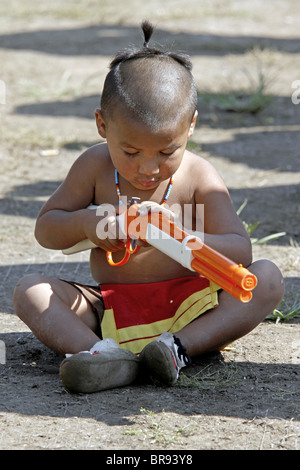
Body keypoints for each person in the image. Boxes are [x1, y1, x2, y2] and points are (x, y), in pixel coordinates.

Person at [13, 21, 284, 393]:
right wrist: (89, 223)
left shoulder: (198, 175)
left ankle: (177, 349)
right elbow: (46, 229)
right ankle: (102, 356)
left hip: (191, 306)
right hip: (111, 306)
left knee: (267, 277)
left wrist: (181, 236)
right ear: (102, 125)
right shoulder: (94, 166)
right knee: (30, 290)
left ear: (190, 127)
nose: (148, 168)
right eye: (130, 151)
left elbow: (241, 250)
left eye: (167, 151)